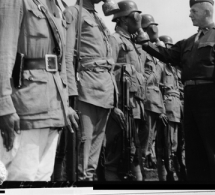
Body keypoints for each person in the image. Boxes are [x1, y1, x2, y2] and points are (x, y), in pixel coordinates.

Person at [142, 0, 215, 181]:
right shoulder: (188, 41)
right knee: (194, 150)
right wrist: (146, 44)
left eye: (193, 11)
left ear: (206, 12)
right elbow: (168, 55)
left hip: (211, 97)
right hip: (191, 98)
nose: (190, 15)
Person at [0, 0, 78, 181]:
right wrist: (3, 105)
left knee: (43, 178)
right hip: (26, 106)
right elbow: (4, 54)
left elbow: (61, 61)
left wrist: (66, 105)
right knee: (20, 176)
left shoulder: (55, 6)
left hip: (54, 106)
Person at [63, 0, 119, 181]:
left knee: (96, 145)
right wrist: (71, 91)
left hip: (105, 88)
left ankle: (88, 181)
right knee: (84, 142)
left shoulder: (97, 18)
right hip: (85, 87)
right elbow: (67, 56)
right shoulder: (73, 12)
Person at [104, 0, 148, 181]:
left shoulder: (133, 43)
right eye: (134, 16)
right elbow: (107, 72)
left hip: (136, 108)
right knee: (115, 156)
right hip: (121, 107)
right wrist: (113, 105)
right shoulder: (115, 40)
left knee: (135, 156)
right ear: (123, 20)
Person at [140, 14, 166, 177]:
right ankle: (141, 171)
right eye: (151, 27)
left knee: (151, 139)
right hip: (147, 99)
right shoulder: (142, 50)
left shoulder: (155, 51)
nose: (155, 29)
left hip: (156, 101)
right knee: (145, 139)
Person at [158, 35, 187, 181]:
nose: (169, 49)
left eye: (170, 47)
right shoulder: (161, 67)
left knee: (180, 143)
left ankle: (180, 171)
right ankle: (170, 175)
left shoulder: (176, 69)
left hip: (179, 110)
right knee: (170, 144)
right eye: (166, 47)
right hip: (168, 109)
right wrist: (161, 109)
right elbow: (156, 88)